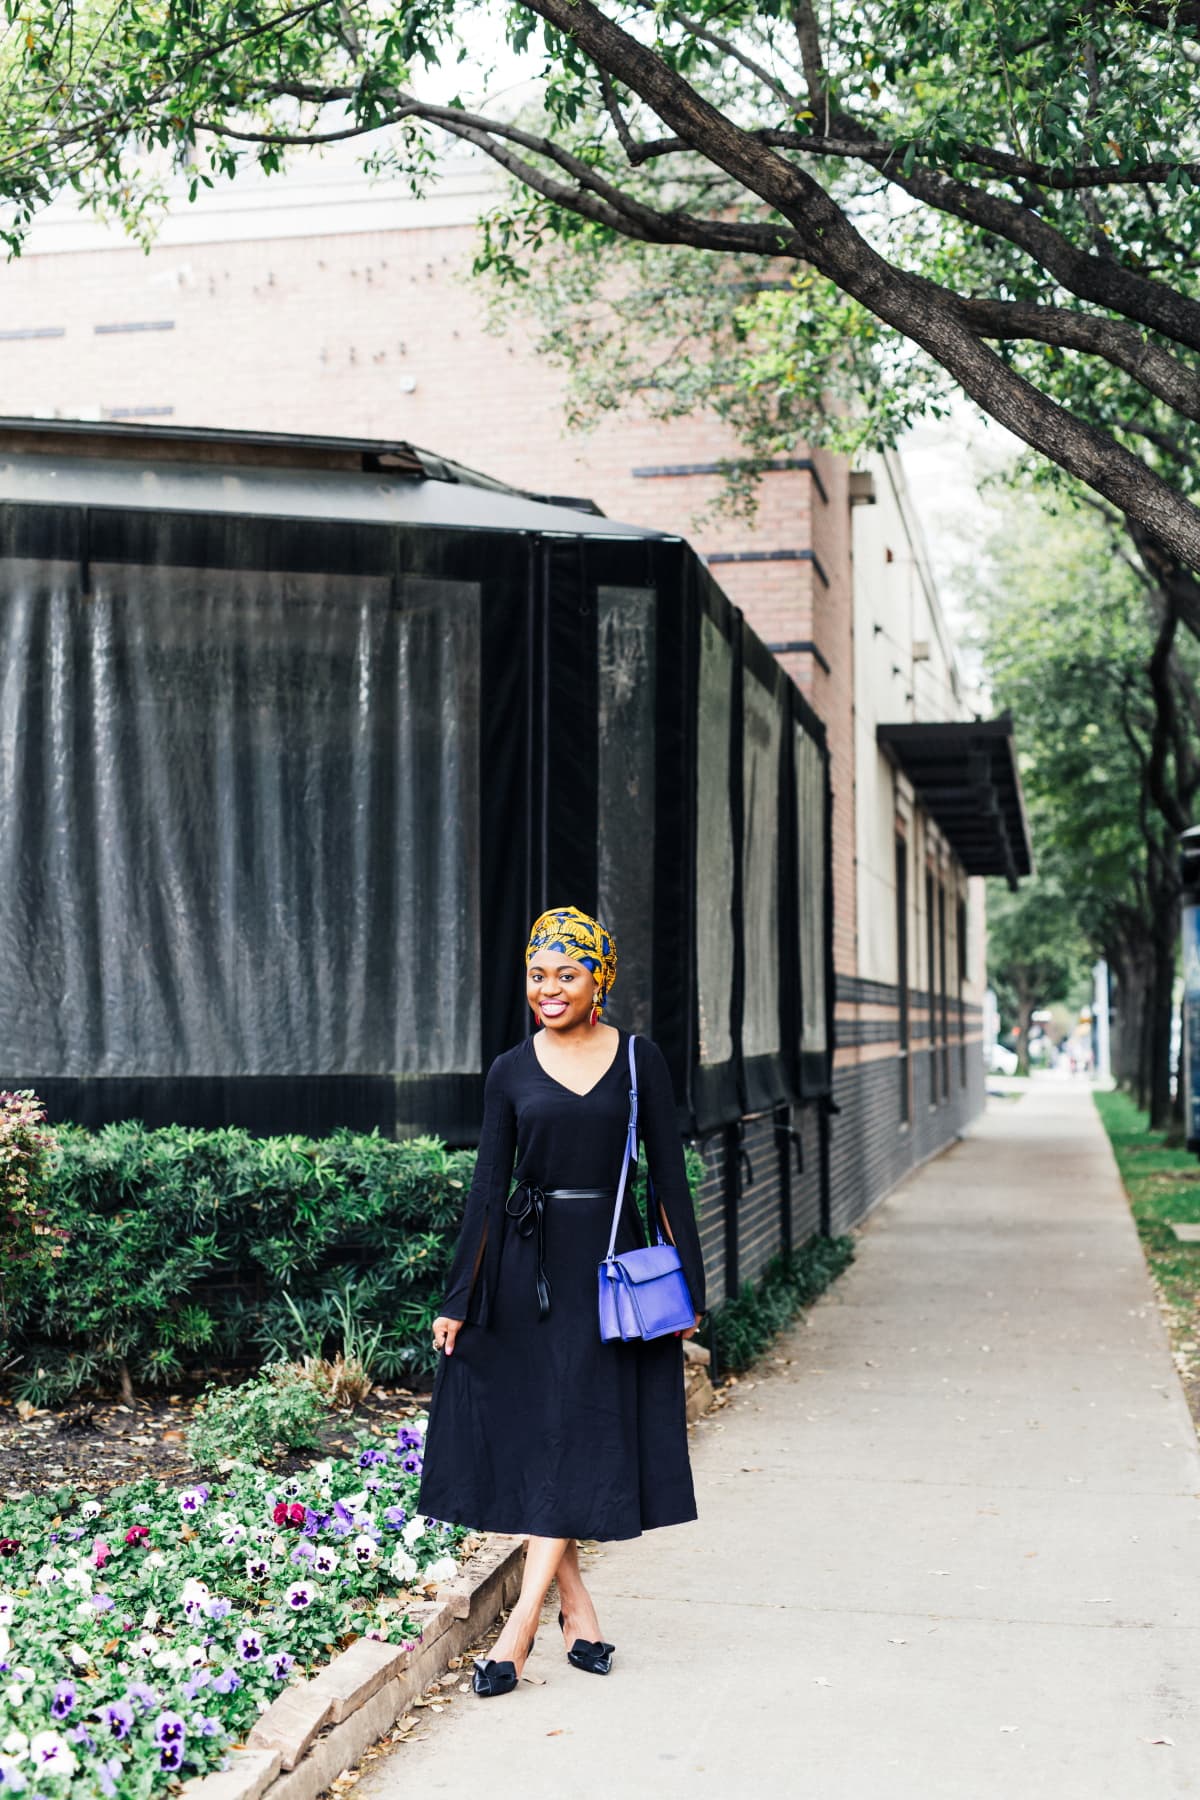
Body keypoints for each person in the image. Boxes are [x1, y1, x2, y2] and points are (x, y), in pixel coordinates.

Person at [417, 904, 706, 1698]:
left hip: (609, 1273)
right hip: (525, 1271)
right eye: (537, 975)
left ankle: (518, 1633)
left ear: (598, 980)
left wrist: (692, 1286)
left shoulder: (640, 1059)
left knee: (575, 1430)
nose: (549, 989)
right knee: (545, 1436)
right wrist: (459, 1297)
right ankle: (578, 1610)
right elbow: (487, 1187)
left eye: (566, 974)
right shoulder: (510, 1070)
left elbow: (669, 1176)